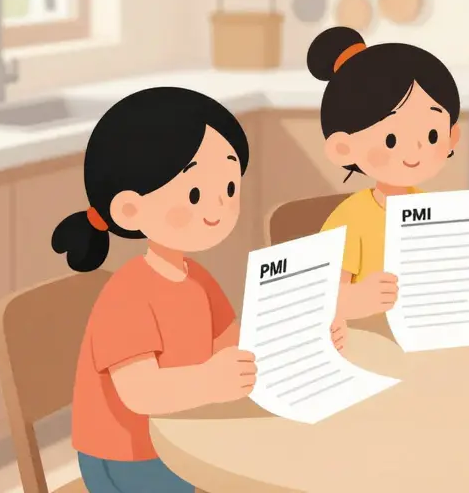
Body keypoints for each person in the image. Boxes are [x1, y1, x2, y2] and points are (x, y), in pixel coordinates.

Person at [54, 87, 342, 493]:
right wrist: (209, 381)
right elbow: (140, 392)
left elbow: (234, 344)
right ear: (130, 210)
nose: (216, 208)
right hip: (128, 459)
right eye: (194, 193)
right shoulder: (126, 295)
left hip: (186, 432)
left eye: (228, 188)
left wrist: (304, 339)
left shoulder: (197, 277)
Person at [308, 27, 469, 323]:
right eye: (391, 140)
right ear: (343, 147)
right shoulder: (349, 220)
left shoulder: (434, 211)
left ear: (451, 137)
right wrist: (357, 300)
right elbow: (321, 302)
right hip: (368, 345)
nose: (415, 149)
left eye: (432, 134)